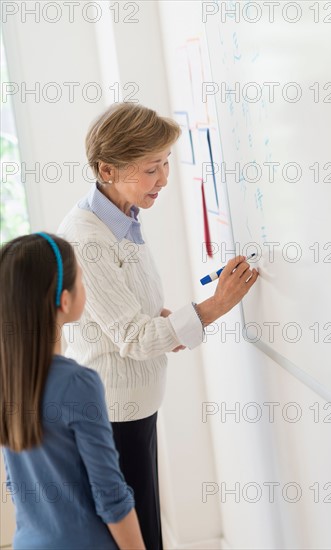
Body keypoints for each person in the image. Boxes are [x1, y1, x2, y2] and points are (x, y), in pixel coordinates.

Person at [57, 102, 259, 549]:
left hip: (132, 408)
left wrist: (170, 321)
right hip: (113, 413)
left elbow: (128, 311)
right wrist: (216, 305)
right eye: (152, 169)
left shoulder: (121, 218)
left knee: (143, 526)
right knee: (134, 534)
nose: (164, 179)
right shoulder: (88, 239)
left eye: (165, 163)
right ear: (107, 170)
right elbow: (132, 338)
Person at [0, 233, 145, 550]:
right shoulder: (79, 384)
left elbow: (16, 482)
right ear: (65, 300)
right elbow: (110, 495)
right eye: (81, 279)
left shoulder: (7, 378)